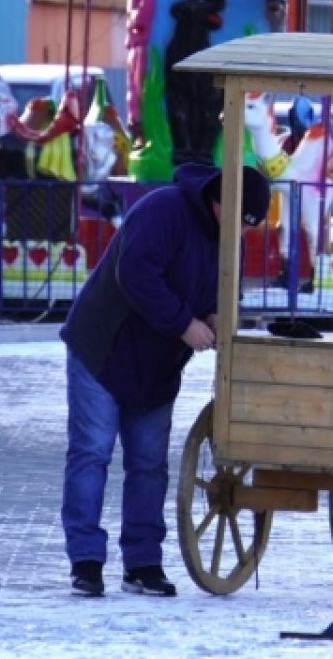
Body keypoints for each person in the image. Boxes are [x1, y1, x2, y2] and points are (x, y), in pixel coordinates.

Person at [59, 162, 271, 597]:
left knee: (150, 465)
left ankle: (142, 562)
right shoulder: (164, 210)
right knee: (92, 452)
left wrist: (214, 315)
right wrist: (184, 324)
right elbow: (135, 273)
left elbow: (222, 293)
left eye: (250, 227)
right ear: (220, 202)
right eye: (241, 222)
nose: (243, 235)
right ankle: (86, 561)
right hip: (103, 350)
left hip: (156, 366)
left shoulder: (230, 241)